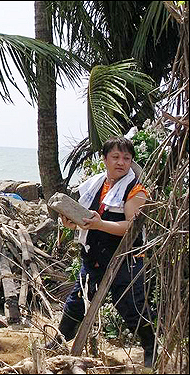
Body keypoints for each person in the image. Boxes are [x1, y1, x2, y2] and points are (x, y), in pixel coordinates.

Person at [48, 136, 156, 367]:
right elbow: (88, 218)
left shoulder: (136, 190)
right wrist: (73, 222)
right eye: (115, 157)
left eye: (126, 158)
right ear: (104, 159)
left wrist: (99, 225)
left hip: (126, 259)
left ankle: (151, 349)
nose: (121, 163)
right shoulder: (95, 185)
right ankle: (59, 341)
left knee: (131, 306)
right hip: (95, 255)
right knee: (78, 299)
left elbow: (132, 228)